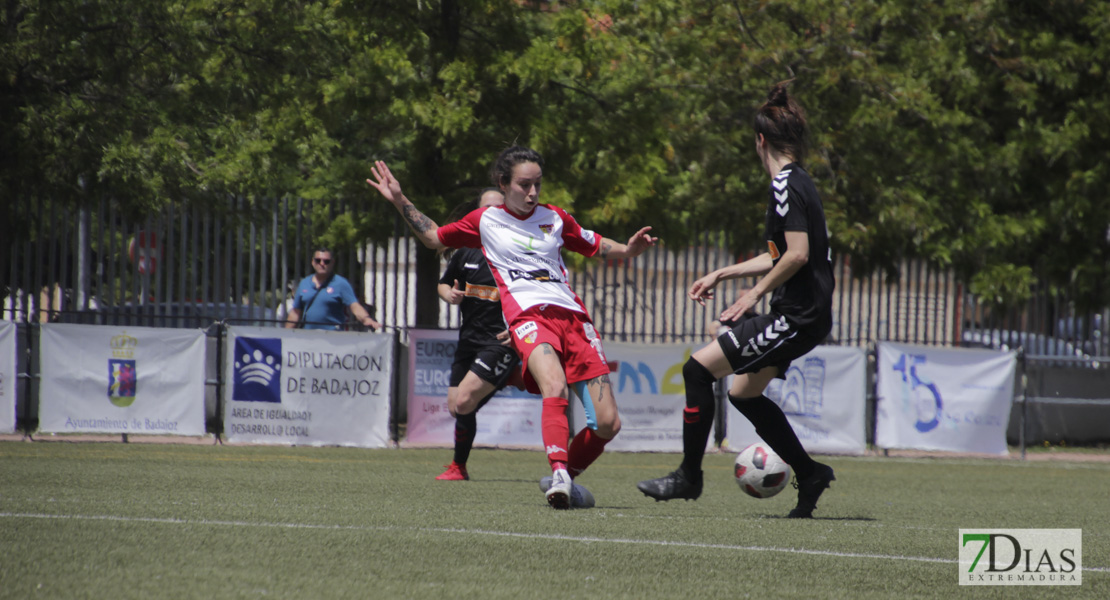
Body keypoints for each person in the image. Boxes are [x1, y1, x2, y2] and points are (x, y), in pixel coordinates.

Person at [368, 146, 657, 509]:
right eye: (524, 185)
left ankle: (563, 476)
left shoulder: (555, 218)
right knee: (554, 384)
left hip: (574, 320)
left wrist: (628, 250)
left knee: (608, 423)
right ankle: (559, 473)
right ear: (503, 183)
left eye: (537, 184)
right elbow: (434, 237)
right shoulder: (485, 220)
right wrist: (399, 200)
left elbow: (596, 244)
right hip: (530, 318)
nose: (533, 193)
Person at [637, 82, 837, 518]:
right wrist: (724, 272)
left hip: (797, 316)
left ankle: (688, 477)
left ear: (760, 140)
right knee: (744, 394)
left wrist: (753, 295)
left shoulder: (785, 185)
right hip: (806, 314)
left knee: (696, 369)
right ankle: (810, 471)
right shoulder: (800, 182)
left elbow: (798, 255)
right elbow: (782, 253)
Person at [434, 189, 522, 481]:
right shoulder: (466, 252)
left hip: (500, 342)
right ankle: (508, 377)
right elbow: (443, 284)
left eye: (500, 209)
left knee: (464, 402)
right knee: (455, 407)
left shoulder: (517, 253)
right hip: (468, 341)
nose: (494, 214)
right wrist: (450, 295)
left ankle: (458, 467)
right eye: (488, 209)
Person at [284, 248, 381, 331]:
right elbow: (295, 312)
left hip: (333, 337)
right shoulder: (304, 283)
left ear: (332, 262)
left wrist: (366, 319)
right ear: (313, 262)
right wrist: (286, 334)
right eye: (318, 260)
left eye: (326, 261)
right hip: (309, 336)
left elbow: (354, 305)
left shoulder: (341, 283)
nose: (322, 264)